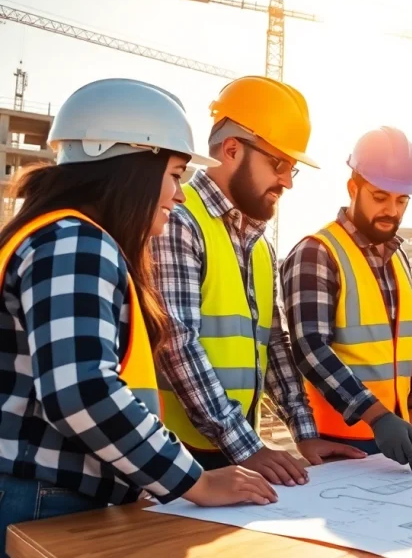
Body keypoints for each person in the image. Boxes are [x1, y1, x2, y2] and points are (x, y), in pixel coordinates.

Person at [0, 78, 277, 553]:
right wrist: (195, 481)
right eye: (174, 175)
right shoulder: (76, 241)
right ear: (130, 168)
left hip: (45, 493)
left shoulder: (55, 235)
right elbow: (81, 391)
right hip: (45, 499)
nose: (181, 194)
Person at [152, 76, 364, 487]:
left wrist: (304, 433)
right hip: (179, 457)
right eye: (278, 164)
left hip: (234, 448)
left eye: (292, 169)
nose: (286, 181)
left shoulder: (259, 245)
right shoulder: (179, 220)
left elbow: (274, 344)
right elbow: (177, 344)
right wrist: (249, 447)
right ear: (232, 150)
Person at [281, 126, 412, 474]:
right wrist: (376, 415)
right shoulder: (317, 253)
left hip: (396, 432)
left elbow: (398, 346)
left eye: (402, 200)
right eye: (380, 196)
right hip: (341, 440)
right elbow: (310, 349)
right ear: (353, 188)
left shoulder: (397, 258)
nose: (392, 210)